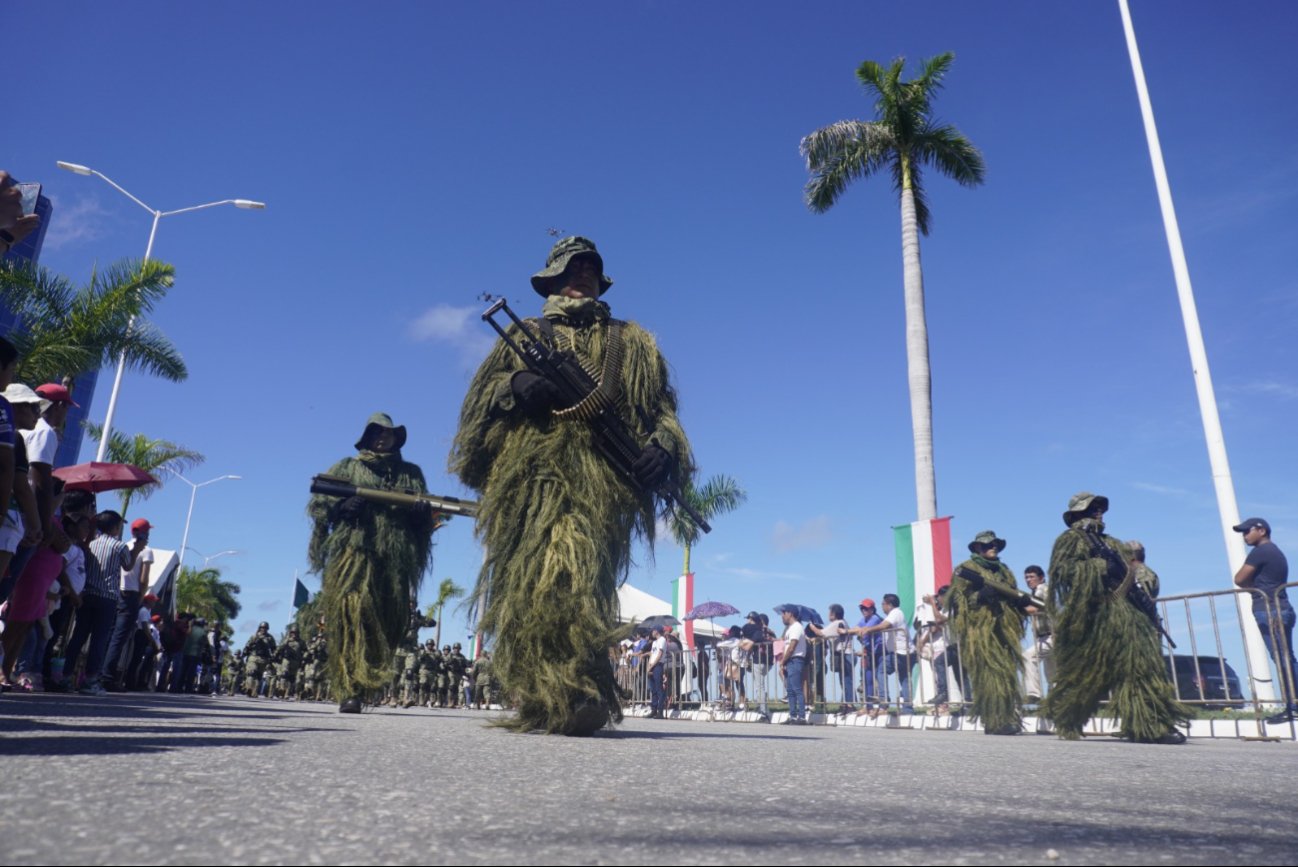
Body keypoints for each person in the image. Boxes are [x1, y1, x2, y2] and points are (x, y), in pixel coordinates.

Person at [450, 236, 694, 736]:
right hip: (532, 480)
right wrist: (514, 388)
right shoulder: (523, 336)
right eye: (571, 268)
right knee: (543, 584)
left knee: (585, 584)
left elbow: (661, 412)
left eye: (589, 268)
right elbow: (477, 416)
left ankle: (572, 690)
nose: (581, 274)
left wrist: (663, 449)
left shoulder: (632, 342)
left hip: (605, 481)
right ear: (552, 278)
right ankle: (562, 692)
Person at [307, 413, 438, 713]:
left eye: (388, 433)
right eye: (376, 432)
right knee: (352, 618)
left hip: (394, 561)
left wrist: (420, 516)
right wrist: (342, 509)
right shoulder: (347, 467)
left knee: (385, 624)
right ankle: (350, 688)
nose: (382, 437)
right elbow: (320, 505)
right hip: (355, 554)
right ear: (366, 438)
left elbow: (425, 517)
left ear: (396, 439)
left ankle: (366, 683)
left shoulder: (411, 474)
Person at [1043, 492, 1188, 743]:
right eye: (1093, 507)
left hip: (1126, 612)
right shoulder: (1069, 540)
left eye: (1101, 507)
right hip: (1093, 614)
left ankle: (1149, 724)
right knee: (1087, 673)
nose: (1099, 511)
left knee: (1140, 666)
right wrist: (1099, 567)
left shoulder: (1113, 542)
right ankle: (1068, 718)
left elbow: (1132, 574)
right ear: (1078, 513)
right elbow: (1063, 572)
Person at [945, 530, 1032, 735]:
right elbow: (957, 602)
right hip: (980, 632)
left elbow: (1012, 593)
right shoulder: (966, 569)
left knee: (1007, 674)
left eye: (995, 544)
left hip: (1005, 629)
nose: (993, 547)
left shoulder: (1003, 570)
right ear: (977, 548)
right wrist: (980, 597)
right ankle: (995, 720)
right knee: (990, 675)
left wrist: (1019, 602)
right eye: (987, 545)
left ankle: (1006, 717)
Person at [1232, 517, 1295, 724]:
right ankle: (1292, 703)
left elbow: (1240, 579)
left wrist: (1252, 586)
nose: (1244, 536)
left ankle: (1293, 704)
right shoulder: (1273, 551)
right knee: (1285, 657)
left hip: (1270, 609)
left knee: (1283, 658)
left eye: (1246, 531)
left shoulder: (1262, 551)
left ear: (1261, 530)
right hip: (1277, 608)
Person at [851, 594, 913, 716]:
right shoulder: (893, 614)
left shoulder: (895, 613)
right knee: (904, 679)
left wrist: (868, 630)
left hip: (899, 651)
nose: (882, 606)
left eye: (883, 604)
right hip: (902, 651)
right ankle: (908, 709)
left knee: (882, 670)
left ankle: (884, 703)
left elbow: (883, 626)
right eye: (862, 608)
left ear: (889, 605)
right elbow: (858, 628)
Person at [1020, 565, 1053, 703]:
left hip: (1051, 636)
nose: (1028, 580)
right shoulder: (1035, 593)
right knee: (1052, 674)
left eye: (1032, 577)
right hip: (1045, 636)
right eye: (1026, 577)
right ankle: (1054, 703)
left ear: (1041, 578)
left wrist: (1019, 610)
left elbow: (1037, 606)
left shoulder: (1042, 589)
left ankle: (1034, 693)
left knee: (1028, 656)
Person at [778, 605, 809, 724]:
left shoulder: (796, 627)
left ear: (790, 613)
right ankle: (793, 716)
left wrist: (783, 660)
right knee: (790, 690)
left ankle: (801, 716)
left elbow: (792, 647)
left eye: (784, 613)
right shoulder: (790, 628)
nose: (782, 616)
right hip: (790, 660)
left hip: (795, 659)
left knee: (797, 689)